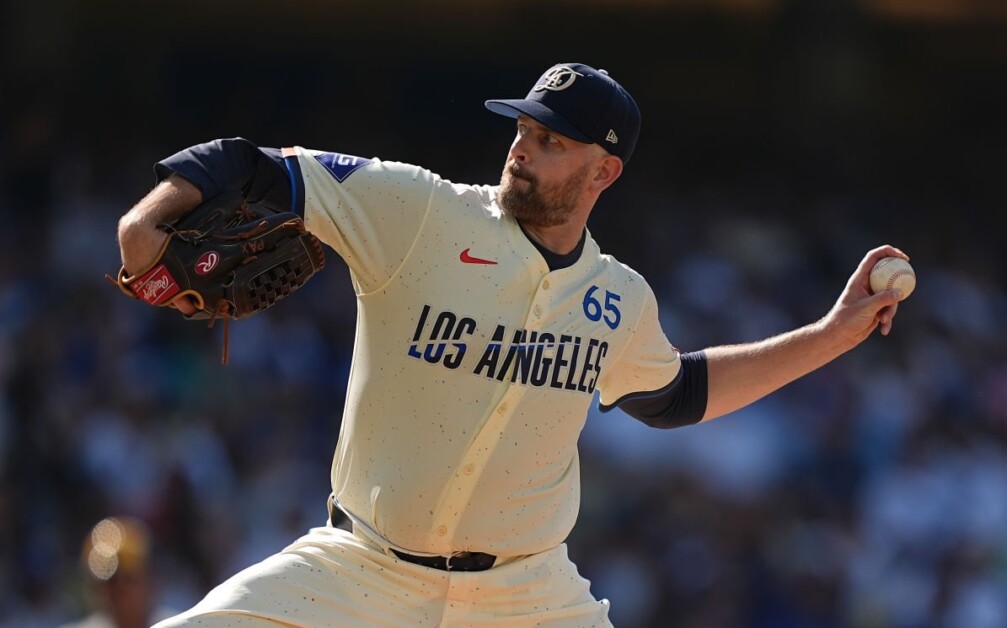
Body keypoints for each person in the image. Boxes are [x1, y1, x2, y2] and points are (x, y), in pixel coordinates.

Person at [116, 62, 907, 626]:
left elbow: (677, 398)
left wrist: (831, 335)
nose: (523, 146)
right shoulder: (418, 211)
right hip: (359, 574)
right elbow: (243, 165)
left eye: (552, 140)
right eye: (523, 127)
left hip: (525, 599)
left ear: (605, 171)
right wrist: (145, 222)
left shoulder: (617, 298)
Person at [61, 517, 174, 628]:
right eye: (110, 581)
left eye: (128, 579)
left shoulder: (180, 625)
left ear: (150, 580)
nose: (119, 591)